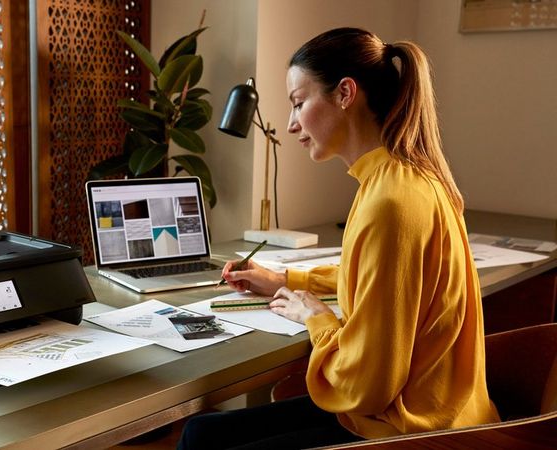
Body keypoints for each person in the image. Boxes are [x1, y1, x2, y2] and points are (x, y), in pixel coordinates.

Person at [177, 27, 500, 449]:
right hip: (416, 410)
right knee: (201, 432)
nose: (291, 124)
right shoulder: (402, 179)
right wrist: (285, 281)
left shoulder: (389, 202)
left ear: (346, 93)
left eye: (298, 103)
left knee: (203, 441)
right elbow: (375, 280)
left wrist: (317, 319)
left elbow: (367, 383)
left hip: (409, 430)